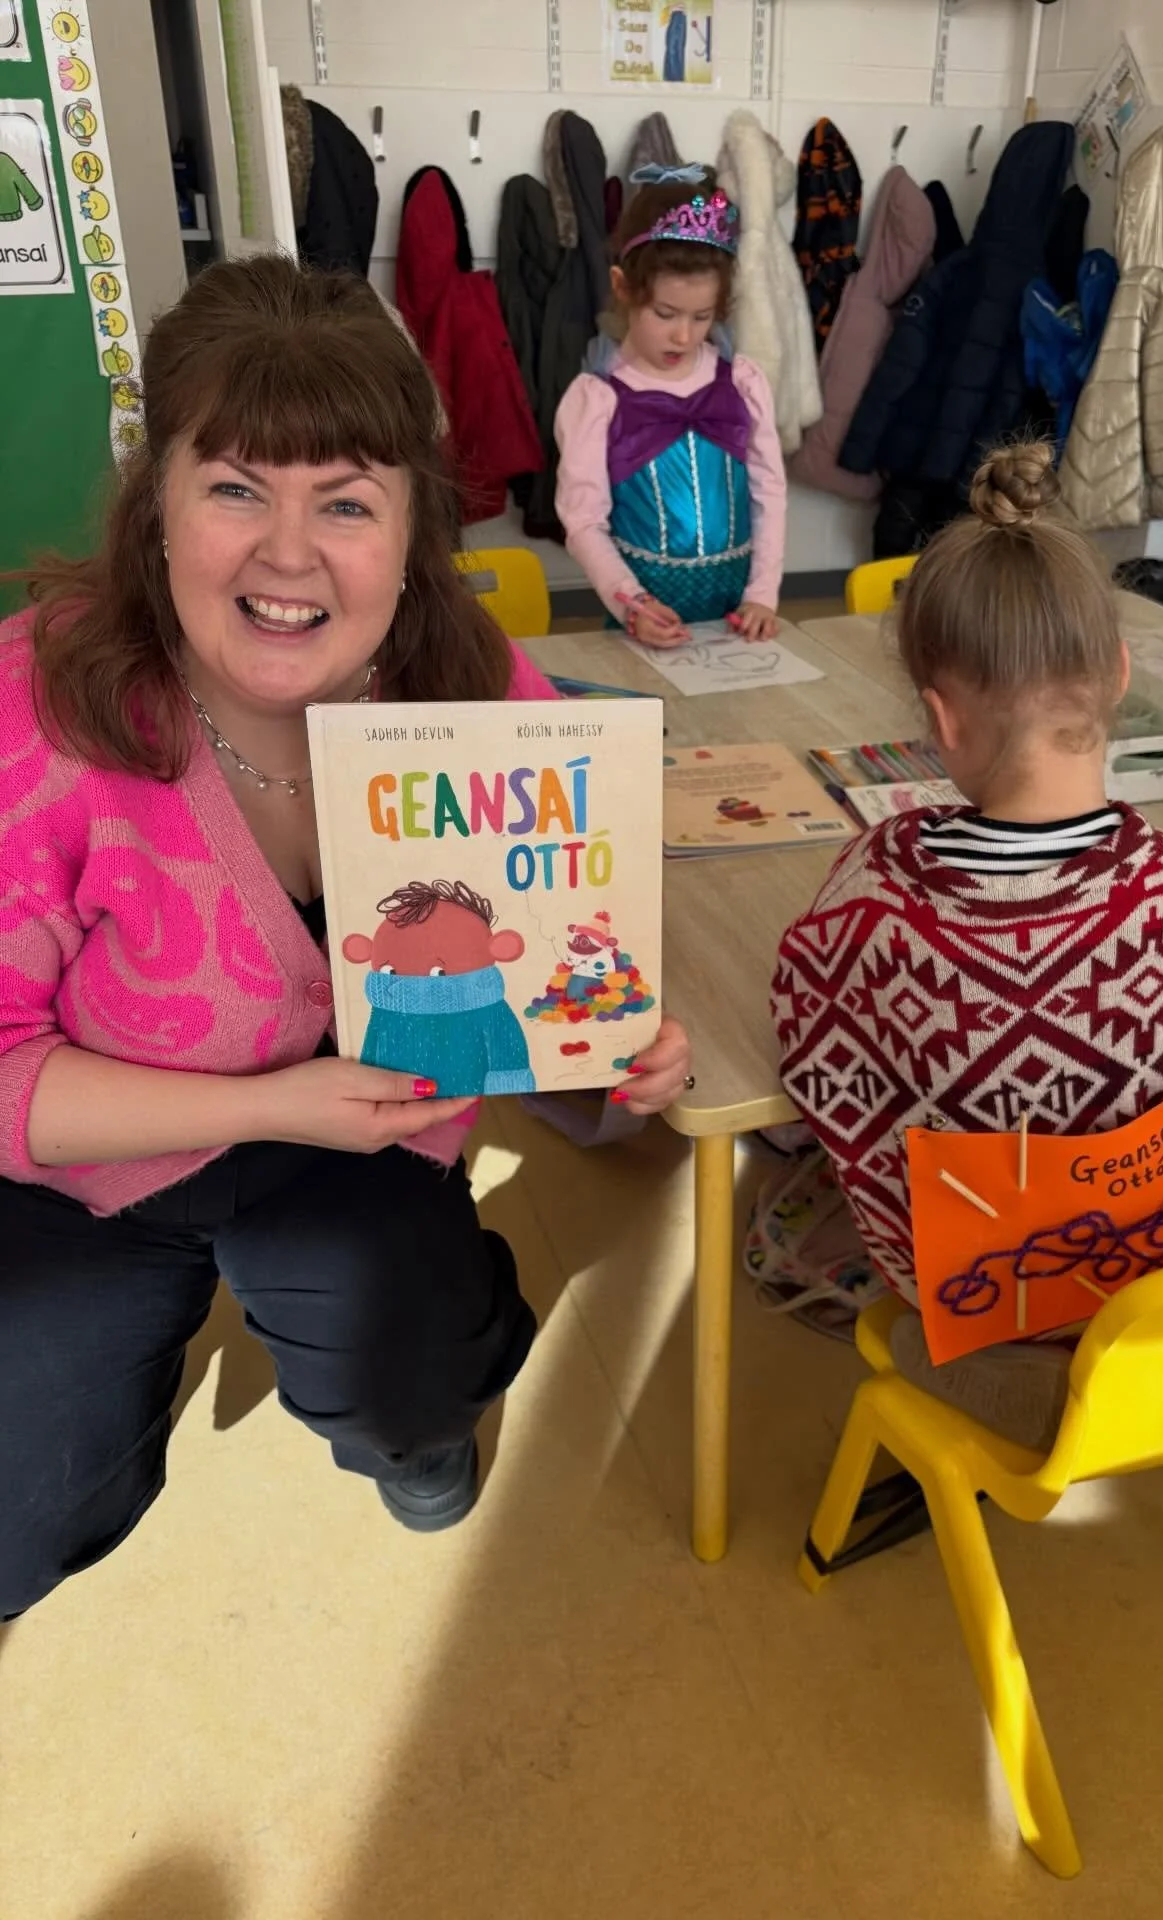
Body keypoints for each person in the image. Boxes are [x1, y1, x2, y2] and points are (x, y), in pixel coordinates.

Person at [0, 256, 691, 1621]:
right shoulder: (40, 699)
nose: (290, 554)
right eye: (237, 486)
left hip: (367, 1141)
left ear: (414, 529)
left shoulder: (482, 694)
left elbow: (555, 995)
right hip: (84, 1155)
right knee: (30, 1488)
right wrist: (264, 1103)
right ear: (158, 510)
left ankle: (417, 1424)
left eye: (347, 503)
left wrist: (612, 1048)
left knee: (406, 1373)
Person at [771, 441, 1163, 1445]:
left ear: (938, 720)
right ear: (1117, 676)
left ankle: (971, 1363)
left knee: (787, 1167)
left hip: (968, 1278)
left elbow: (806, 1045)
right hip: (1145, 1270)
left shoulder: (880, 893)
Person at [554, 162, 786, 647]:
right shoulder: (596, 400)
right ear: (623, 288)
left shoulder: (742, 382)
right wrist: (632, 604)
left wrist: (763, 593)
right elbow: (582, 521)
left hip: (737, 620)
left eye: (702, 316)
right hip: (641, 619)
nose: (683, 334)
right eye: (665, 314)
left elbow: (769, 494)